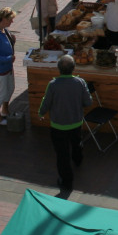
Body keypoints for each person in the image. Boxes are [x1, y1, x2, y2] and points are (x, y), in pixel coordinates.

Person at [38, 54, 92, 191]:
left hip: (58, 126)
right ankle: (78, 159)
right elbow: (88, 102)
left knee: (62, 154)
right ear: (74, 68)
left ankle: (67, 180)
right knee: (76, 142)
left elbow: (46, 102)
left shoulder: (53, 85)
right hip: (76, 123)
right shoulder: (80, 82)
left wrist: (41, 113)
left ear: (58, 69)